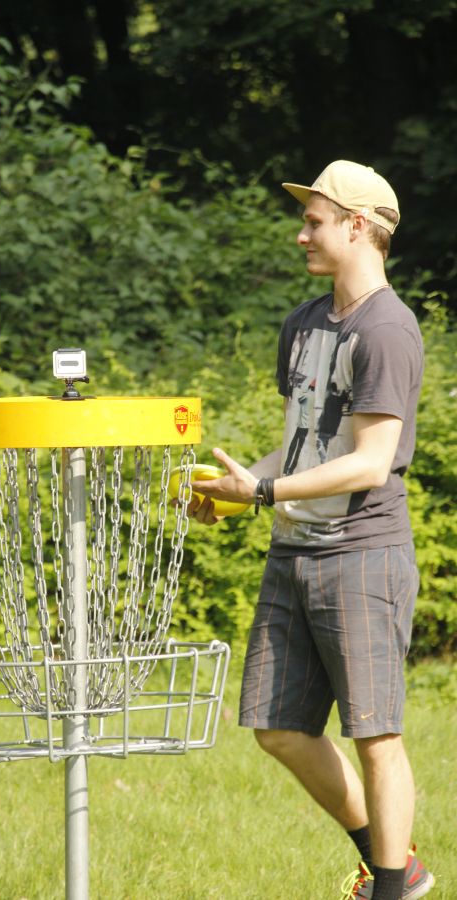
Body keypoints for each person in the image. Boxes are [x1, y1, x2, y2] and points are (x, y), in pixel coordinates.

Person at [189, 160, 435, 900]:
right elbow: (303, 446)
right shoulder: (303, 323)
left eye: (314, 222)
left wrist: (262, 492)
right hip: (292, 553)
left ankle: (389, 888)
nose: (302, 235)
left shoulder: (386, 329)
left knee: (375, 734)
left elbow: (370, 463)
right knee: (278, 728)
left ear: (357, 227)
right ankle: (396, 864)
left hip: (362, 557)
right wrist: (233, 495)